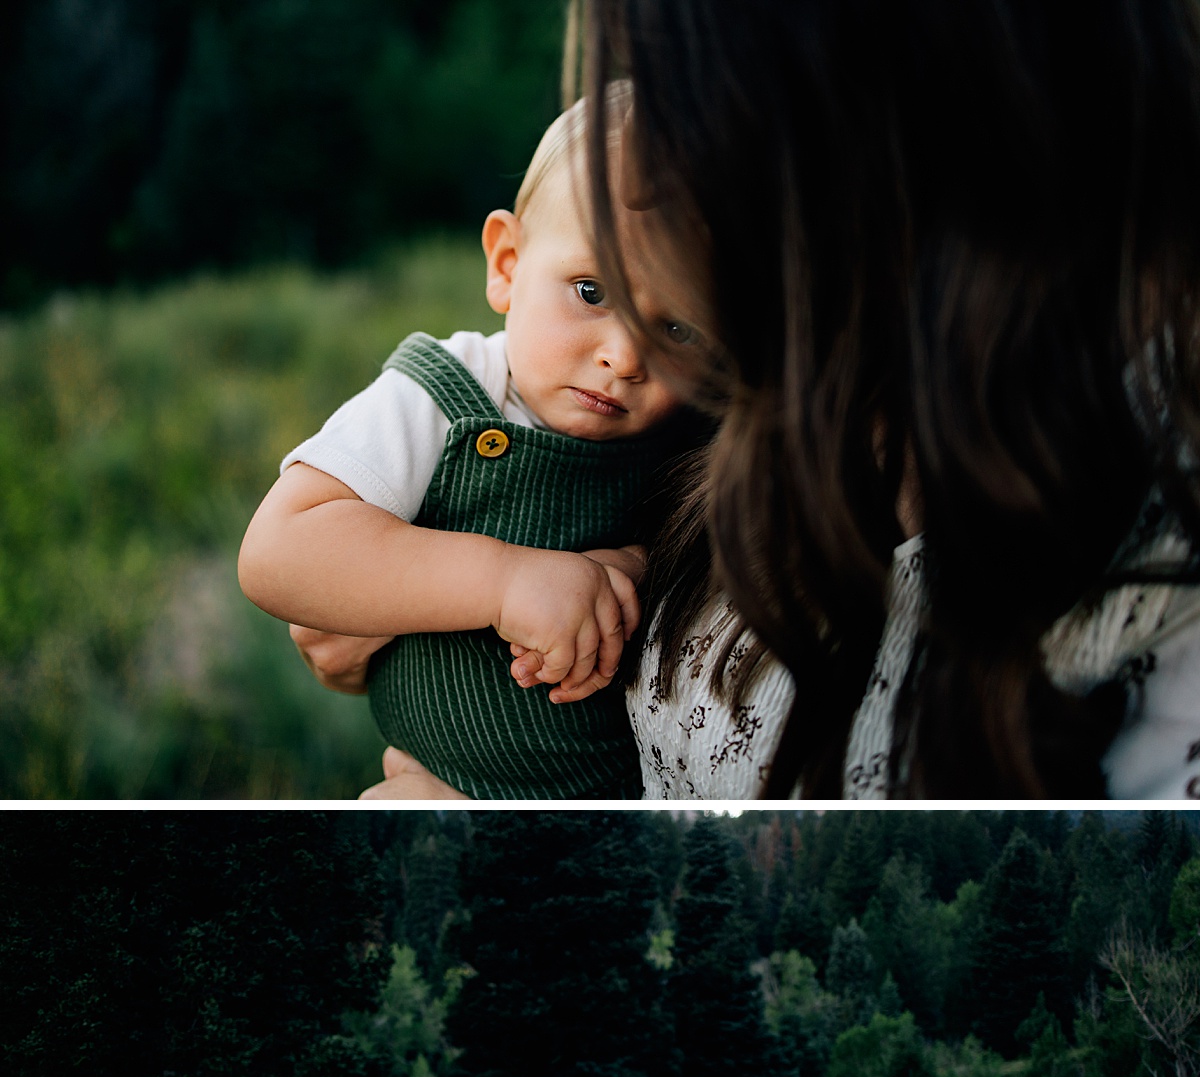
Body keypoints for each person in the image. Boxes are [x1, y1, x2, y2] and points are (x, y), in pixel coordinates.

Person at [350, 1, 1200, 802]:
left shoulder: (1151, 547)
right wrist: (426, 590)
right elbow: (331, 581)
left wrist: (514, 865)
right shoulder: (749, 387)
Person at [238, 93, 705, 801]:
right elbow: (279, 551)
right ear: (507, 264)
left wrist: (632, 568)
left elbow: (719, 542)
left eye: (677, 331)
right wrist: (506, 581)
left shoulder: (682, 435)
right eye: (590, 290)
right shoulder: (443, 398)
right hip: (446, 786)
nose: (624, 356)